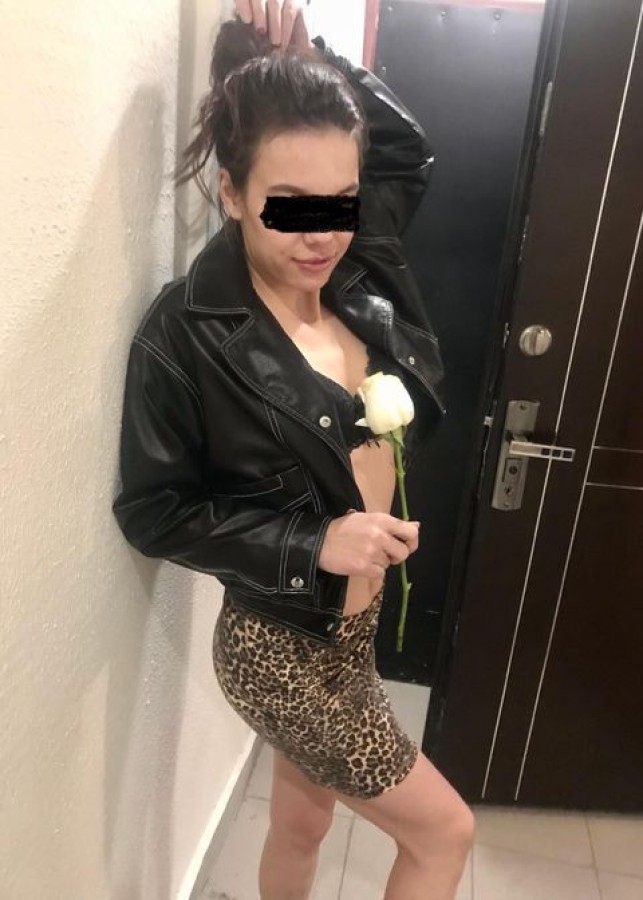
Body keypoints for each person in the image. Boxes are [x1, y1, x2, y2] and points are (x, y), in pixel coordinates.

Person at [112, 1, 474, 897]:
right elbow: (152, 510)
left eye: (337, 202)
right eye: (288, 206)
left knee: (301, 822)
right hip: (280, 651)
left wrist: (321, 60)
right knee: (444, 834)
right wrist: (311, 543)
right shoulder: (187, 332)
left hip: (349, 633)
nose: (320, 233)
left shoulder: (356, 265)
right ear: (231, 193)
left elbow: (405, 154)